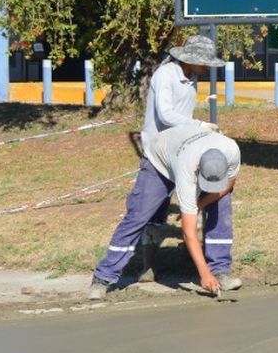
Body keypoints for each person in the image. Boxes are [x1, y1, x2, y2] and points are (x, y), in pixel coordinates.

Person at [88, 121, 240, 299]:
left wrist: (200, 204)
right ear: (198, 168)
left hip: (183, 148)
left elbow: (227, 185)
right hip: (159, 158)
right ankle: (103, 277)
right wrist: (203, 274)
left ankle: (220, 271)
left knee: (222, 204)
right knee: (139, 214)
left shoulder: (231, 150)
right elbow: (188, 233)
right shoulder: (187, 167)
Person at [137, 34, 226, 281]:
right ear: (191, 60)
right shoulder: (165, 75)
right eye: (204, 62)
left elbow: (182, 117)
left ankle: (193, 260)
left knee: (193, 203)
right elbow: (166, 114)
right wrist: (199, 126)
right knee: (151, 209)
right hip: (158, 153)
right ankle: (148, 265)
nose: (207, 67)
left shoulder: (191, 80)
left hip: (182, 152)